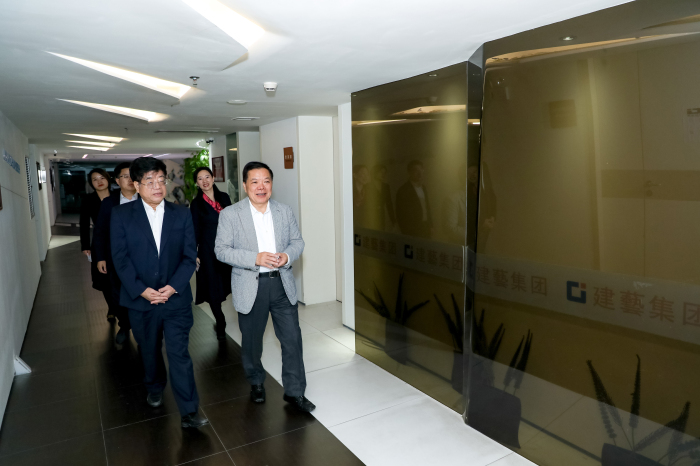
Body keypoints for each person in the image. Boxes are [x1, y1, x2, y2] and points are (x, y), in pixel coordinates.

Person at [110, 157, 207, 429]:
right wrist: (142, 290)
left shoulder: (181, 214)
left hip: (175, 300)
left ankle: (189, 410)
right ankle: (154, 385)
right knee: (149, 350)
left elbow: (189, 257)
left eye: (161, 180)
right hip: (141, 301)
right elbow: (120, 259)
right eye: (150, 181)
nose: (157, 186)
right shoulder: (121, 215)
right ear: (136, 185)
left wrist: (173, 286)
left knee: (179, 354)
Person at [214, 161, 314, 413]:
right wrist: (255, 258)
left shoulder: (284, 211)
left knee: (292, 340)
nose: (261, 187)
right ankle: (256, 381)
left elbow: (297, 241)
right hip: (251, 286)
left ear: (271, 184)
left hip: (282, 284)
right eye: (255, 182)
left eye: (266, 181)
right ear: (245, 185)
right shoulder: (230, 214)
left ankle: (295, 392)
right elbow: (221, 250)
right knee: (252, 342)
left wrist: (287, 256)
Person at [93, 162, 137, 346]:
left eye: (132, 175)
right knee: (117, 293)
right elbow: (100, 232)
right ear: (117, 181)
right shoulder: (109, 203)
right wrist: (100, 257)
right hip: (116, 258)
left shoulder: (147, 199)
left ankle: (143, 328)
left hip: (142, 258)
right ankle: (125, 325)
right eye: (125, 176)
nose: (130, 179)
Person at [190, 166, 232, 340]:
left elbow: (234, 222)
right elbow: (194, 230)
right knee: (212, 288)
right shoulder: (196, 204)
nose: (204, 181)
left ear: (213, 178)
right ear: (197, 183)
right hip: (208, 251)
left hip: (228, 249)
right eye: (200, 178)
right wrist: (194, 252)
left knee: (231, 283)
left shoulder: (224, 197)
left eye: (207, 176)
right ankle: (220, 320)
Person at [80, 168, 115, 321]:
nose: (99, 181)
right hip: (100, 242)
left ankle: (121, 307)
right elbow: (83, 223)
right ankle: (112, 307)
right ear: (91, 183)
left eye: (102, 178)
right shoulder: (88, 199)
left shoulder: (117, 196)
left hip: (119, 240)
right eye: (95, 179)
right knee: (104, 277)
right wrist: (85, 245)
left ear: (108, 179)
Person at [396, 160, 433, 238]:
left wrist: (431, 225)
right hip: (412, 230)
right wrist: (406, 232)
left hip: (425, 227)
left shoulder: (423, 187)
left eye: (421, 169)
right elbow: (400, 214)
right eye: (416, 170)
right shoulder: (403, 190)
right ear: (409, 172)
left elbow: (427, 207)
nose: (420, 173)